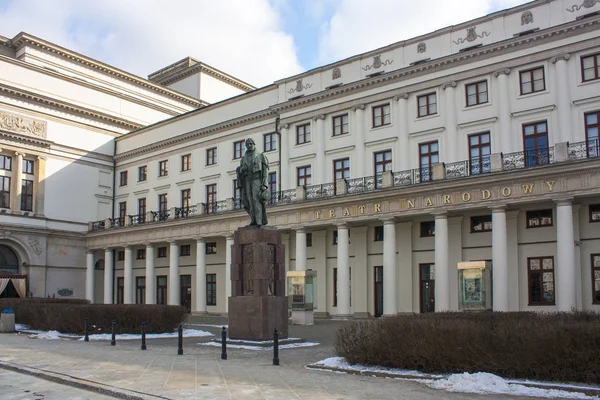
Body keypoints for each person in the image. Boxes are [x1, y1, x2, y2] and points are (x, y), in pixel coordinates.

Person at [236, 138, 270, 226]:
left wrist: (264, 184)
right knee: (248, 201)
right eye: (247, 144)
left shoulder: (260, 156)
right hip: (247, 181)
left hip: (256, 179)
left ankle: (259, 221)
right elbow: (240, 171)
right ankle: (253, 220)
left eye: (251, 144)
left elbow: (265, 171)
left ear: (254, 144)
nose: (249, 146)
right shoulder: (243, 159)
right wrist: (242, 170)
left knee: (256, 200)